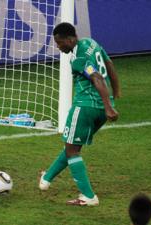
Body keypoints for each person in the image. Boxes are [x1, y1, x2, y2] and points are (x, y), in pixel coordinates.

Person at [38, 22, 120, 206]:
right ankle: (47, 178)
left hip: (85, 106)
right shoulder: (91, 43)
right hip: (99, 108)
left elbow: (96, 78)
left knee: (72, 149)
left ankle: (88, 196)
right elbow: (109, 64)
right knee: (72, 144)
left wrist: (109, 107)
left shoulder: (78, 59)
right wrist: (115, 92)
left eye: (60, 43)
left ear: (70, 39)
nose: (58, 47)